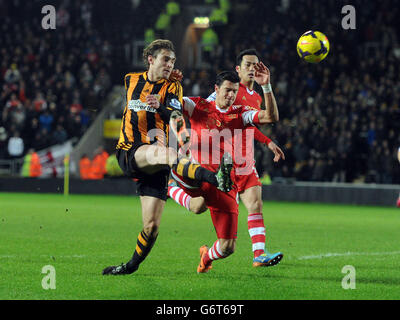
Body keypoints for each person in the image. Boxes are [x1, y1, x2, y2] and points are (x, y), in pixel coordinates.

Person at [102, 39, 233, 276]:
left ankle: (129, 266)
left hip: (158, 161)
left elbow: (174, 115)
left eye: (173, 61)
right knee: (170, 154)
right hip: (131, 150)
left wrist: (161, 106)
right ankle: (216, 179)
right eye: (165, 59)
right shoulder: (130, 79)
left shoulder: (173, 88)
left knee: (151, 227)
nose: (170, 64)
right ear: (150, 59)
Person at [168, 49, 284, 267]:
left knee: (241, 216)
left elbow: (265, 119)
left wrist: (267, 86)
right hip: (202, 168)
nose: (230, 95)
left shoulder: (249, 104)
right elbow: (174, 106)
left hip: (236, 167)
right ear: (238, 69)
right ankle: (171, 187)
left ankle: (253, 254)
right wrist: (182, 133)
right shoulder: (205, 104)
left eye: (255, 65)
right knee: (195, 202)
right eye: (247, 65)